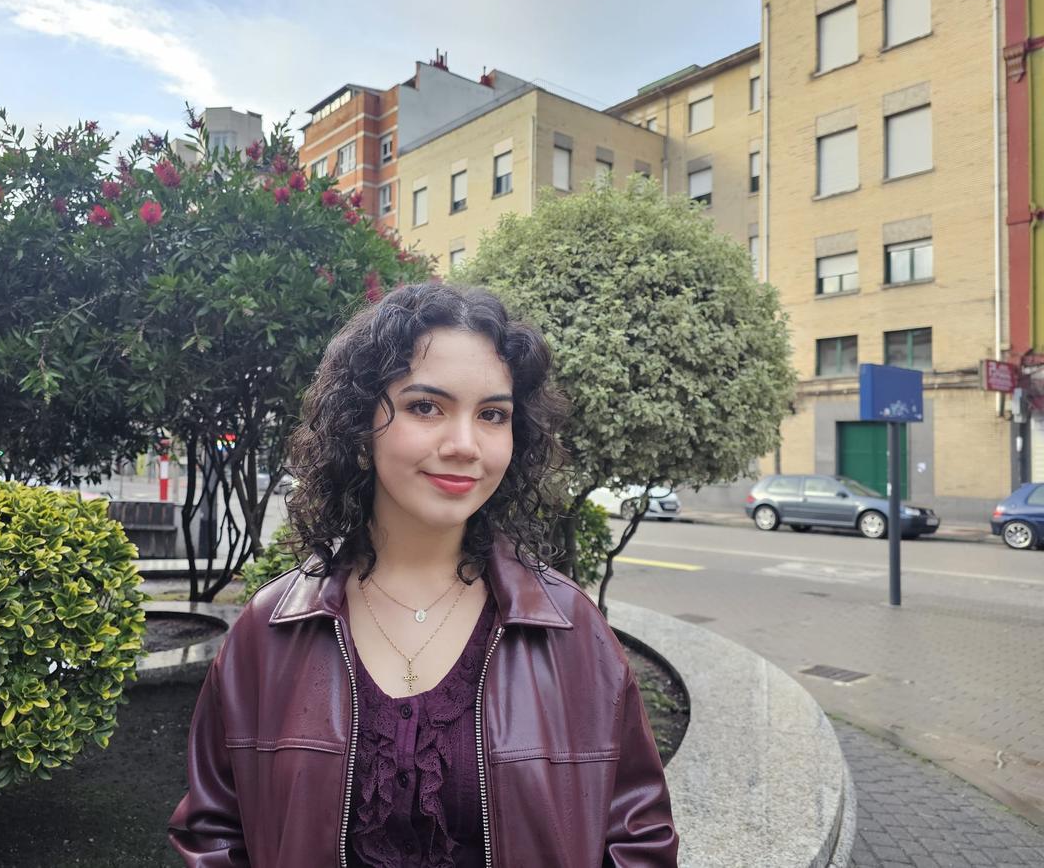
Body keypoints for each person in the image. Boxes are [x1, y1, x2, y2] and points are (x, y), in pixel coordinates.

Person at [168, 283, 678, 866]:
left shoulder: (571, 635)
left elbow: (638, 839)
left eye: (492, 415)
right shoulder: (270, 633)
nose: (464, 445)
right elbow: (213, 834)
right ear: (360, 429)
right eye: (425, 406)